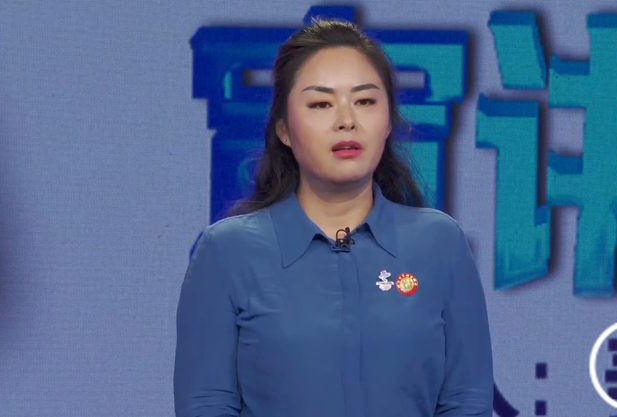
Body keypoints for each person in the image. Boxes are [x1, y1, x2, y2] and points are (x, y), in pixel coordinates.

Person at [174, 18, 493, 417]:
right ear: (284, 129)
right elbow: (205, 403)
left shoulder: (439, 243)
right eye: (321, 104)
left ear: (388, 122)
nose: (346, 120)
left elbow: (467, 398)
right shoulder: (227, 251)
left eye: (365, 101)